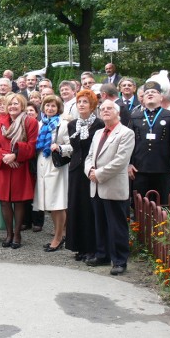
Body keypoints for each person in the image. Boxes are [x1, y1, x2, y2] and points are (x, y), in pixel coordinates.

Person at [84, 100, 135, 275]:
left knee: (117, 225)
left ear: (118, 113)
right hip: (95, 185)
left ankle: (120, 260)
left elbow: (121, 161)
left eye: (109, 108)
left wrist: (98, 174)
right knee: (100, 223)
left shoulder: (126, 133)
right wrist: (89, 170)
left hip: (112, 186)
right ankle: (102, 254)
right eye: (102, 109)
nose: (105, 111)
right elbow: (90, 155)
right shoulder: (98, 132)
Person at [0, 93, 38, 249]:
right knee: (4, 201)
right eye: (10, 104)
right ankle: (8, 234)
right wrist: (5, 158)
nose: (13, 107)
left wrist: (15, 155)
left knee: (19, 201)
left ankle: (17, 234)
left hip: (20, 168)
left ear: (22, 106)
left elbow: (32, 145)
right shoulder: (0, 123)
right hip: (4, 167)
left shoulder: (31, 122)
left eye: (16, 104)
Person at [64, 89, 104, 261]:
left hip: (91, 170)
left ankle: (91, 247)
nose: (81, 105)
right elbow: (73, 147)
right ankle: (78, 246)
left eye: (85, 102)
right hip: (75, 169)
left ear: (92, 105)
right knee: (76, 207)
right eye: (79, 102)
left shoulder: (99, 124)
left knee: (90, 208)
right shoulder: (72, 124)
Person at [127, 81, 170, 204]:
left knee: (163, 205)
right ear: (142, 98)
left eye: (154, 92)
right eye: (147, 93)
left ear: (161, 97)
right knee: (140, 206)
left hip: (163, 169)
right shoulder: (135, 116)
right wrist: (129, 164)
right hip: (139, 170)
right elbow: (128, 143)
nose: (150, 94)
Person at [33, 95, 70, 252]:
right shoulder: (41, 123)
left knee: (57, 203)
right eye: (47, 106)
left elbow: (72, 146)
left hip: (56, 164)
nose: (50, 108)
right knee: (49, 202)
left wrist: (60, 147)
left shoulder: (64, 124)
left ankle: (59, 237)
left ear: (58, 108)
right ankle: (59, 233)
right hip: (42, 162)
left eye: (53, 106)